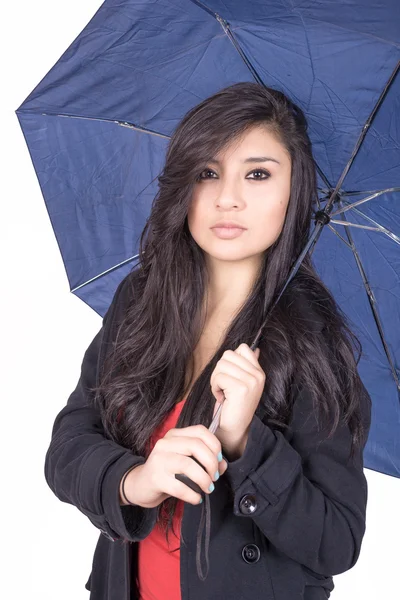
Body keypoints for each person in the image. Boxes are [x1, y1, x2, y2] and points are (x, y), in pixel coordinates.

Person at [44, 82, 372, 600]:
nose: (228, 198)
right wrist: (137, 480)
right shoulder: (143, 301)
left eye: (258, 174)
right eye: (208, 172)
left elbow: (337, 542)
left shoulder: (316, 346)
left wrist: (247, 442)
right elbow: (67, 448)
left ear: (296, 190)